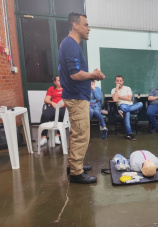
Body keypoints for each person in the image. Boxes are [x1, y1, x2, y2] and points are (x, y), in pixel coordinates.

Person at [59, 12, 105, 184]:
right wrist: (92, 75)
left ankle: (74, 165)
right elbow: (75, 74)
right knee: (81, 135)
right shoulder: (71, 44)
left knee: (76, 133)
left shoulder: (70, 44)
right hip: (77, 97)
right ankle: (76, 174)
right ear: (75, 25)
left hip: (76, 96)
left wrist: (92, 75)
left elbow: (77, 73)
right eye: (86, 25)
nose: (89, 28)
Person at [111, 75, 143, 141]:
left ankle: (122, 111)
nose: (119, 82)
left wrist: (120, 96)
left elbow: (129, 98)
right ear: (115, 82)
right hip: (122, 105)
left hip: (131, 106)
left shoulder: (128, 88)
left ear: (123, 81)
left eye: (120, 81)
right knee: (126, 112)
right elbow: (114, 99)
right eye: (117, 81)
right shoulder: (113, 90)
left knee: (140, 104)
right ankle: (129, 134)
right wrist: (117, 89)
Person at [39, 75, 66, 146]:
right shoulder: (51, 89)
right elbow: (46, 100)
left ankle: (57, 136)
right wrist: (52, 103)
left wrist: (64, 102)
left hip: (63, 107)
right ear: (54, 82)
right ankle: (44, 137)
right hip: (53, 107)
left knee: (62, 115)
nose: (61, 82)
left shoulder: (66, 88)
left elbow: (71, 99)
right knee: (45, 115)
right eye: (59, 80)